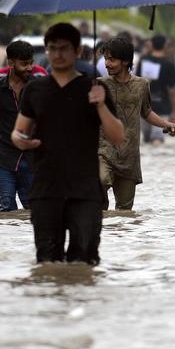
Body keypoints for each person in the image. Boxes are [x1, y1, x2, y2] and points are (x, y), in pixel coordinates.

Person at [12, 23, 124, 264]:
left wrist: (101, 105)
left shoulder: (94, 87)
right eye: (52, 49)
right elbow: (19, 132)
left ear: (77, 51)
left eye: (64, 49)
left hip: (84, 190)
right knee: (47, 262)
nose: (58, 55)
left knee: (84, 262)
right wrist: (22, 141)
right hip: (45, 187)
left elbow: (117, 136)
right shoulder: (35, 88)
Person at [99, 37, 175, 211]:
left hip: (129, 155)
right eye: (105, 59)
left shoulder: (142, 85)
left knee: (125, 212)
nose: (106, 64)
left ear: (126, 60)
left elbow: (147, 112)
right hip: (104, 150)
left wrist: (167, 124)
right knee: (100, 180)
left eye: (111, 59)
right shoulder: (100, 84)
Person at [0, 40, 37, 212]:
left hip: (31, 159)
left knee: (33, 210)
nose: (29, 68)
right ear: (11, 63)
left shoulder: (38, 88)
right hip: (5, 157)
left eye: (31, 63)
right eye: (24, 64)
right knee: (6, 208)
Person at [136, 34, 175, 145]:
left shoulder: (143, 60)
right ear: (165, 45)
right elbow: (172, 90)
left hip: (144, 106)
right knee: (157, 140)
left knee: (146, 140)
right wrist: (174, 111)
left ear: (151, 44)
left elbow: (137, 83)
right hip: (162, 106)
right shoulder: (169, 64)